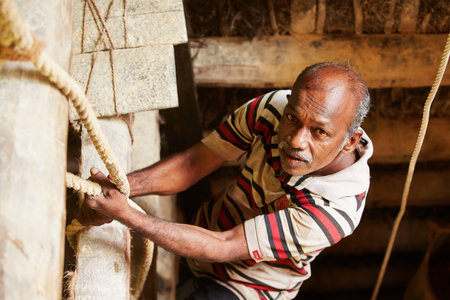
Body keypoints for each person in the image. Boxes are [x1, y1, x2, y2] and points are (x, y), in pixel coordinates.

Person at [80, 62, 373, 299]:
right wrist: (120, 188)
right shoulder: (273, 109)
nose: (296, 140)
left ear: (351, 142)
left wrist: (125, 214)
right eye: (293, 119)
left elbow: (224, 246)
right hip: (201, 233)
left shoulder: (335, 209)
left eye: (319, 132)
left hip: (248, 284)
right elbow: (193, 163)